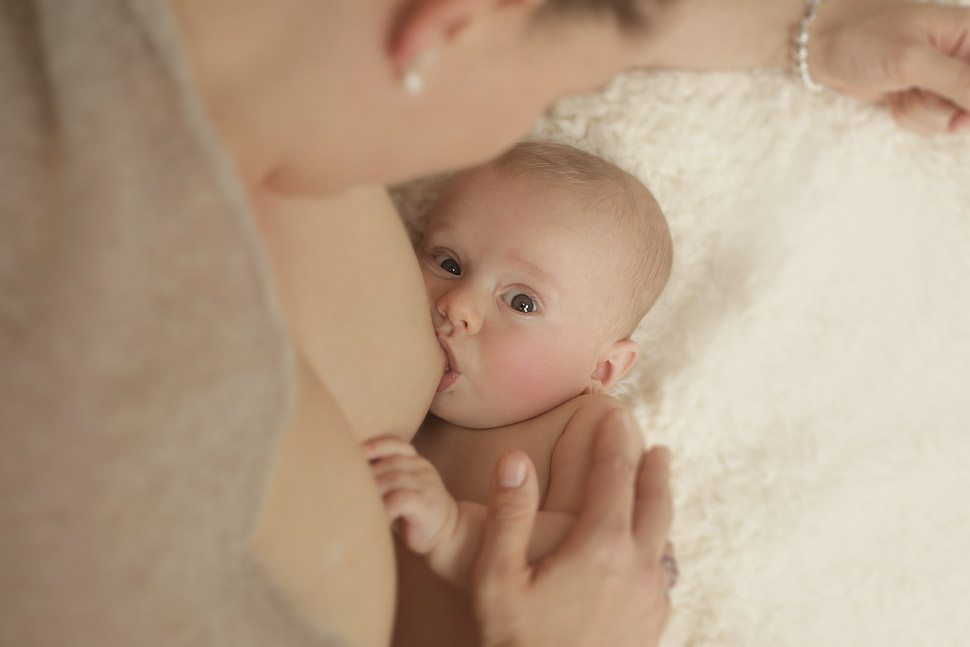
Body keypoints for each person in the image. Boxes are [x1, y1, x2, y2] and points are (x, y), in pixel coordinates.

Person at [3, 0, 970, 646]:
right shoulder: (99, 514)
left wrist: (814, 28)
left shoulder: (147, 69)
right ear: (447, 25)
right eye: (558, 86)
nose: (458, 305)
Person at [362, 141, 673, 646]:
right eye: (448, 263)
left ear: (602, 366)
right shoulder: (405, 387)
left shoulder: (585, 426)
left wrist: (454, 531)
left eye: (522, 302)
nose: (458, 304)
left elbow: (587, 555)